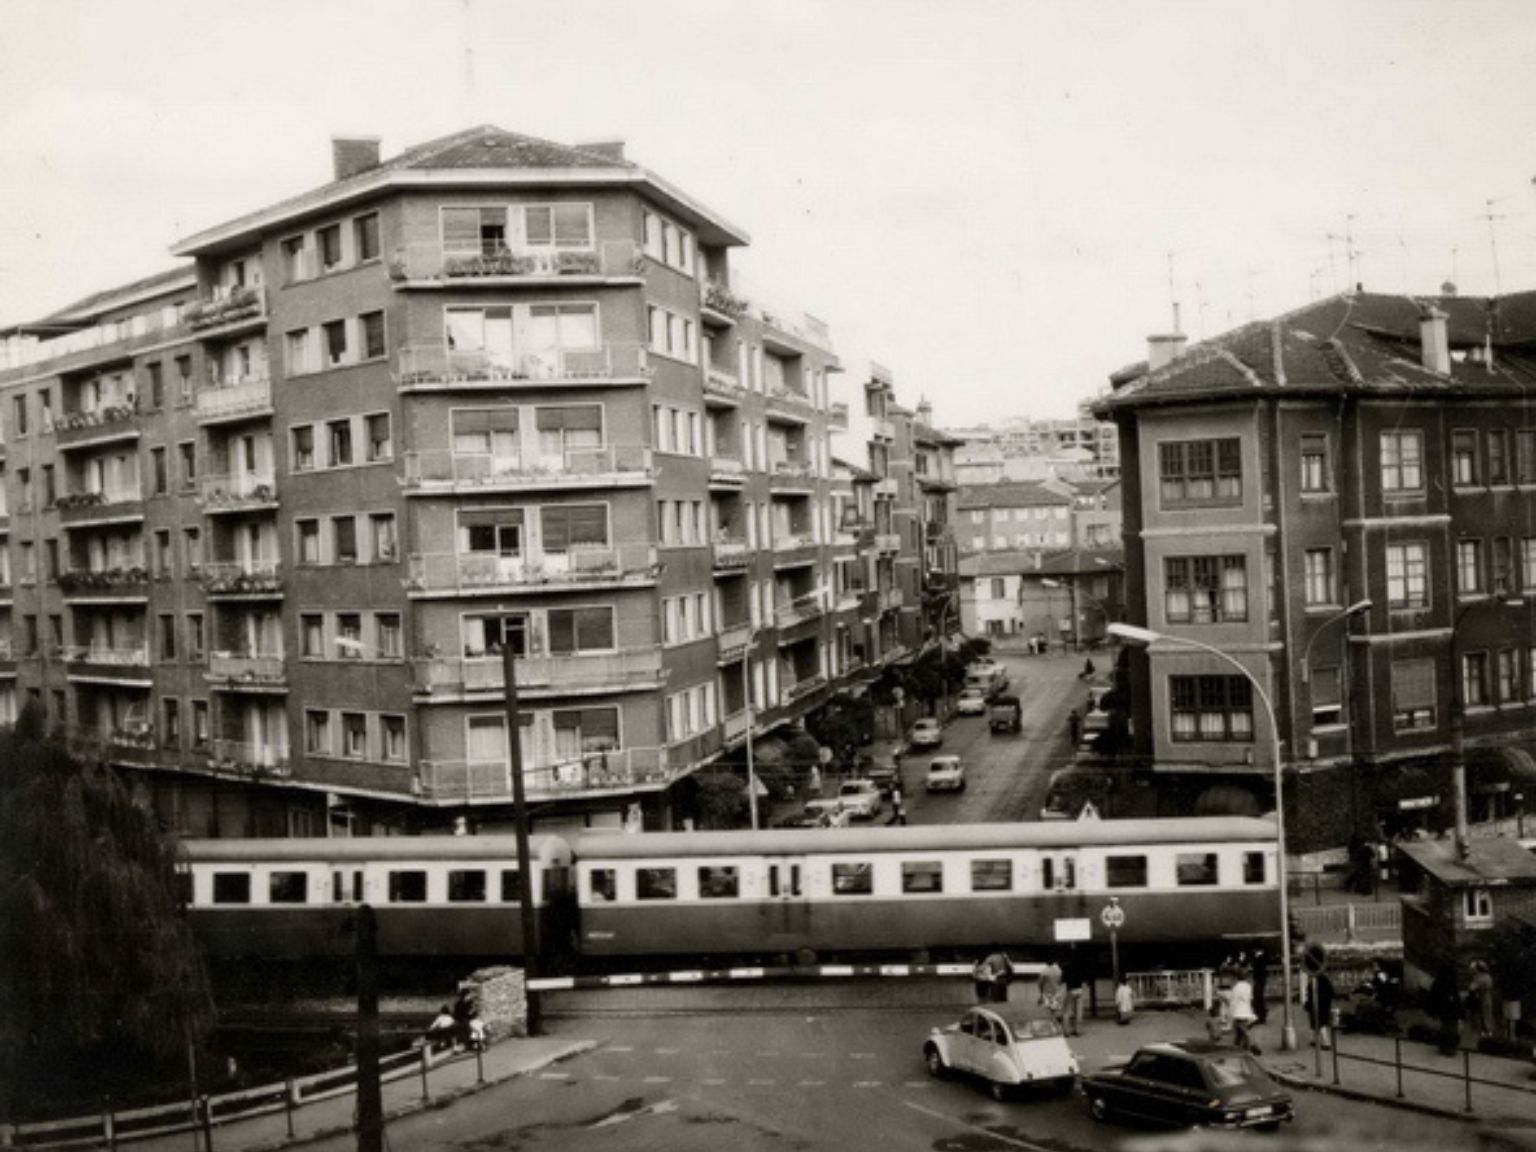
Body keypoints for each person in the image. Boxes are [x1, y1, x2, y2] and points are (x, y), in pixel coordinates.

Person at [1229, 967, 1260, 1054]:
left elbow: (1233, 1002)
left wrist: (1230, 1014)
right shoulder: (1248, 986)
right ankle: (1239, 1048)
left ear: (1237, 977)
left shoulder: (1235, 988)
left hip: (1238, 1013)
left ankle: (1250, 1046)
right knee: (1240, 1032)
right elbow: (1250, 999)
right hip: (1246, 1012)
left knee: (1243, 1032)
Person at [1304, 971, 1335, 1049]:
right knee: (1320, 1023)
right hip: (1324, 1005)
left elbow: (1310, 995)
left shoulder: (1314, 982)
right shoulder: (1324, 980)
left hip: (1316, 1005)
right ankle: (1318, 1041)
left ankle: (1325, 1042)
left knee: (1317, 1023)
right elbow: (1331, 993)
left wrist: (1308, 1004)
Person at [1061, 949, 1088, 1036]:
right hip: (1080, 990)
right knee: (1079, 1012)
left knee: (1067, 1011)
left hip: (1071, 990)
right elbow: (1084, 979)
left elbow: (1062, 979)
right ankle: (1078, 1031)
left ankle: (1066, 1031)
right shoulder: (1081, 966)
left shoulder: (1067, 967)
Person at [1469, 960, 1496, 1038]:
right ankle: (1489, 1031)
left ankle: (1485, 1031)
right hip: (1488, 997)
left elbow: (1471, 988)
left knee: (1483, 1015)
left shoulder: (1479, 978)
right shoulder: (1488, 977)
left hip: (1482, 998)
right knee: (1488, 1014)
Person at [1038, 956, 1064, 1025]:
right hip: (1056, 993)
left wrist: (1041, 993)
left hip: (1047, 994)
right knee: (1056, 1011)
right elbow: (1060, 981)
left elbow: (1040, 983)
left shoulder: (1044, 971)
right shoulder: (1058, 970)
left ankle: (1050, 1025)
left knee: (1048, 1012)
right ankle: (1059, 1026)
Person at [1250, 945, 1270, 1025]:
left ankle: (1260, 1016)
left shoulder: (1259, 958)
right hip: (1261, 979)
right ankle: (1261, 1016)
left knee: (1258, 998)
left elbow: (1254, 964)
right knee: (1259, 998)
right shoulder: (1263, 958)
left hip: (1259, 979)